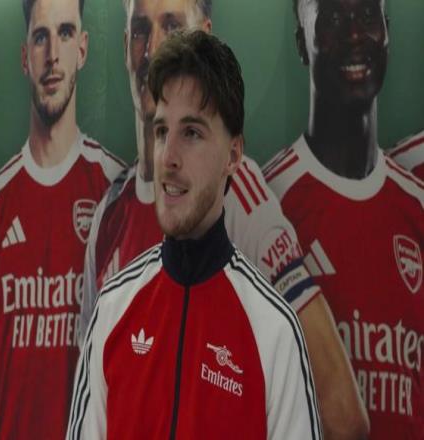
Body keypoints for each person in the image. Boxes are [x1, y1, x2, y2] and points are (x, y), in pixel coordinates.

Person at [80, 0, 368, 437]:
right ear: (124, 46)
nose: (153, 49)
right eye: (140, 30)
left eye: (171, 27)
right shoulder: (108, 216)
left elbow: (344, 414)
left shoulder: (241, 195)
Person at [0, 0, 125, 439]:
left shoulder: (114, 188)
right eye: (40, 37)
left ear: (82, 49)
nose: (52, 55)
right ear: (24, 57)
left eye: (65, 34)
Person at [264, 0, 424, 438]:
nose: (355, 34)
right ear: (302, 44)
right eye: (332, 19)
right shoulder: (270, 202)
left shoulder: (415, 205)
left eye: (368, 16)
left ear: (388, 32)